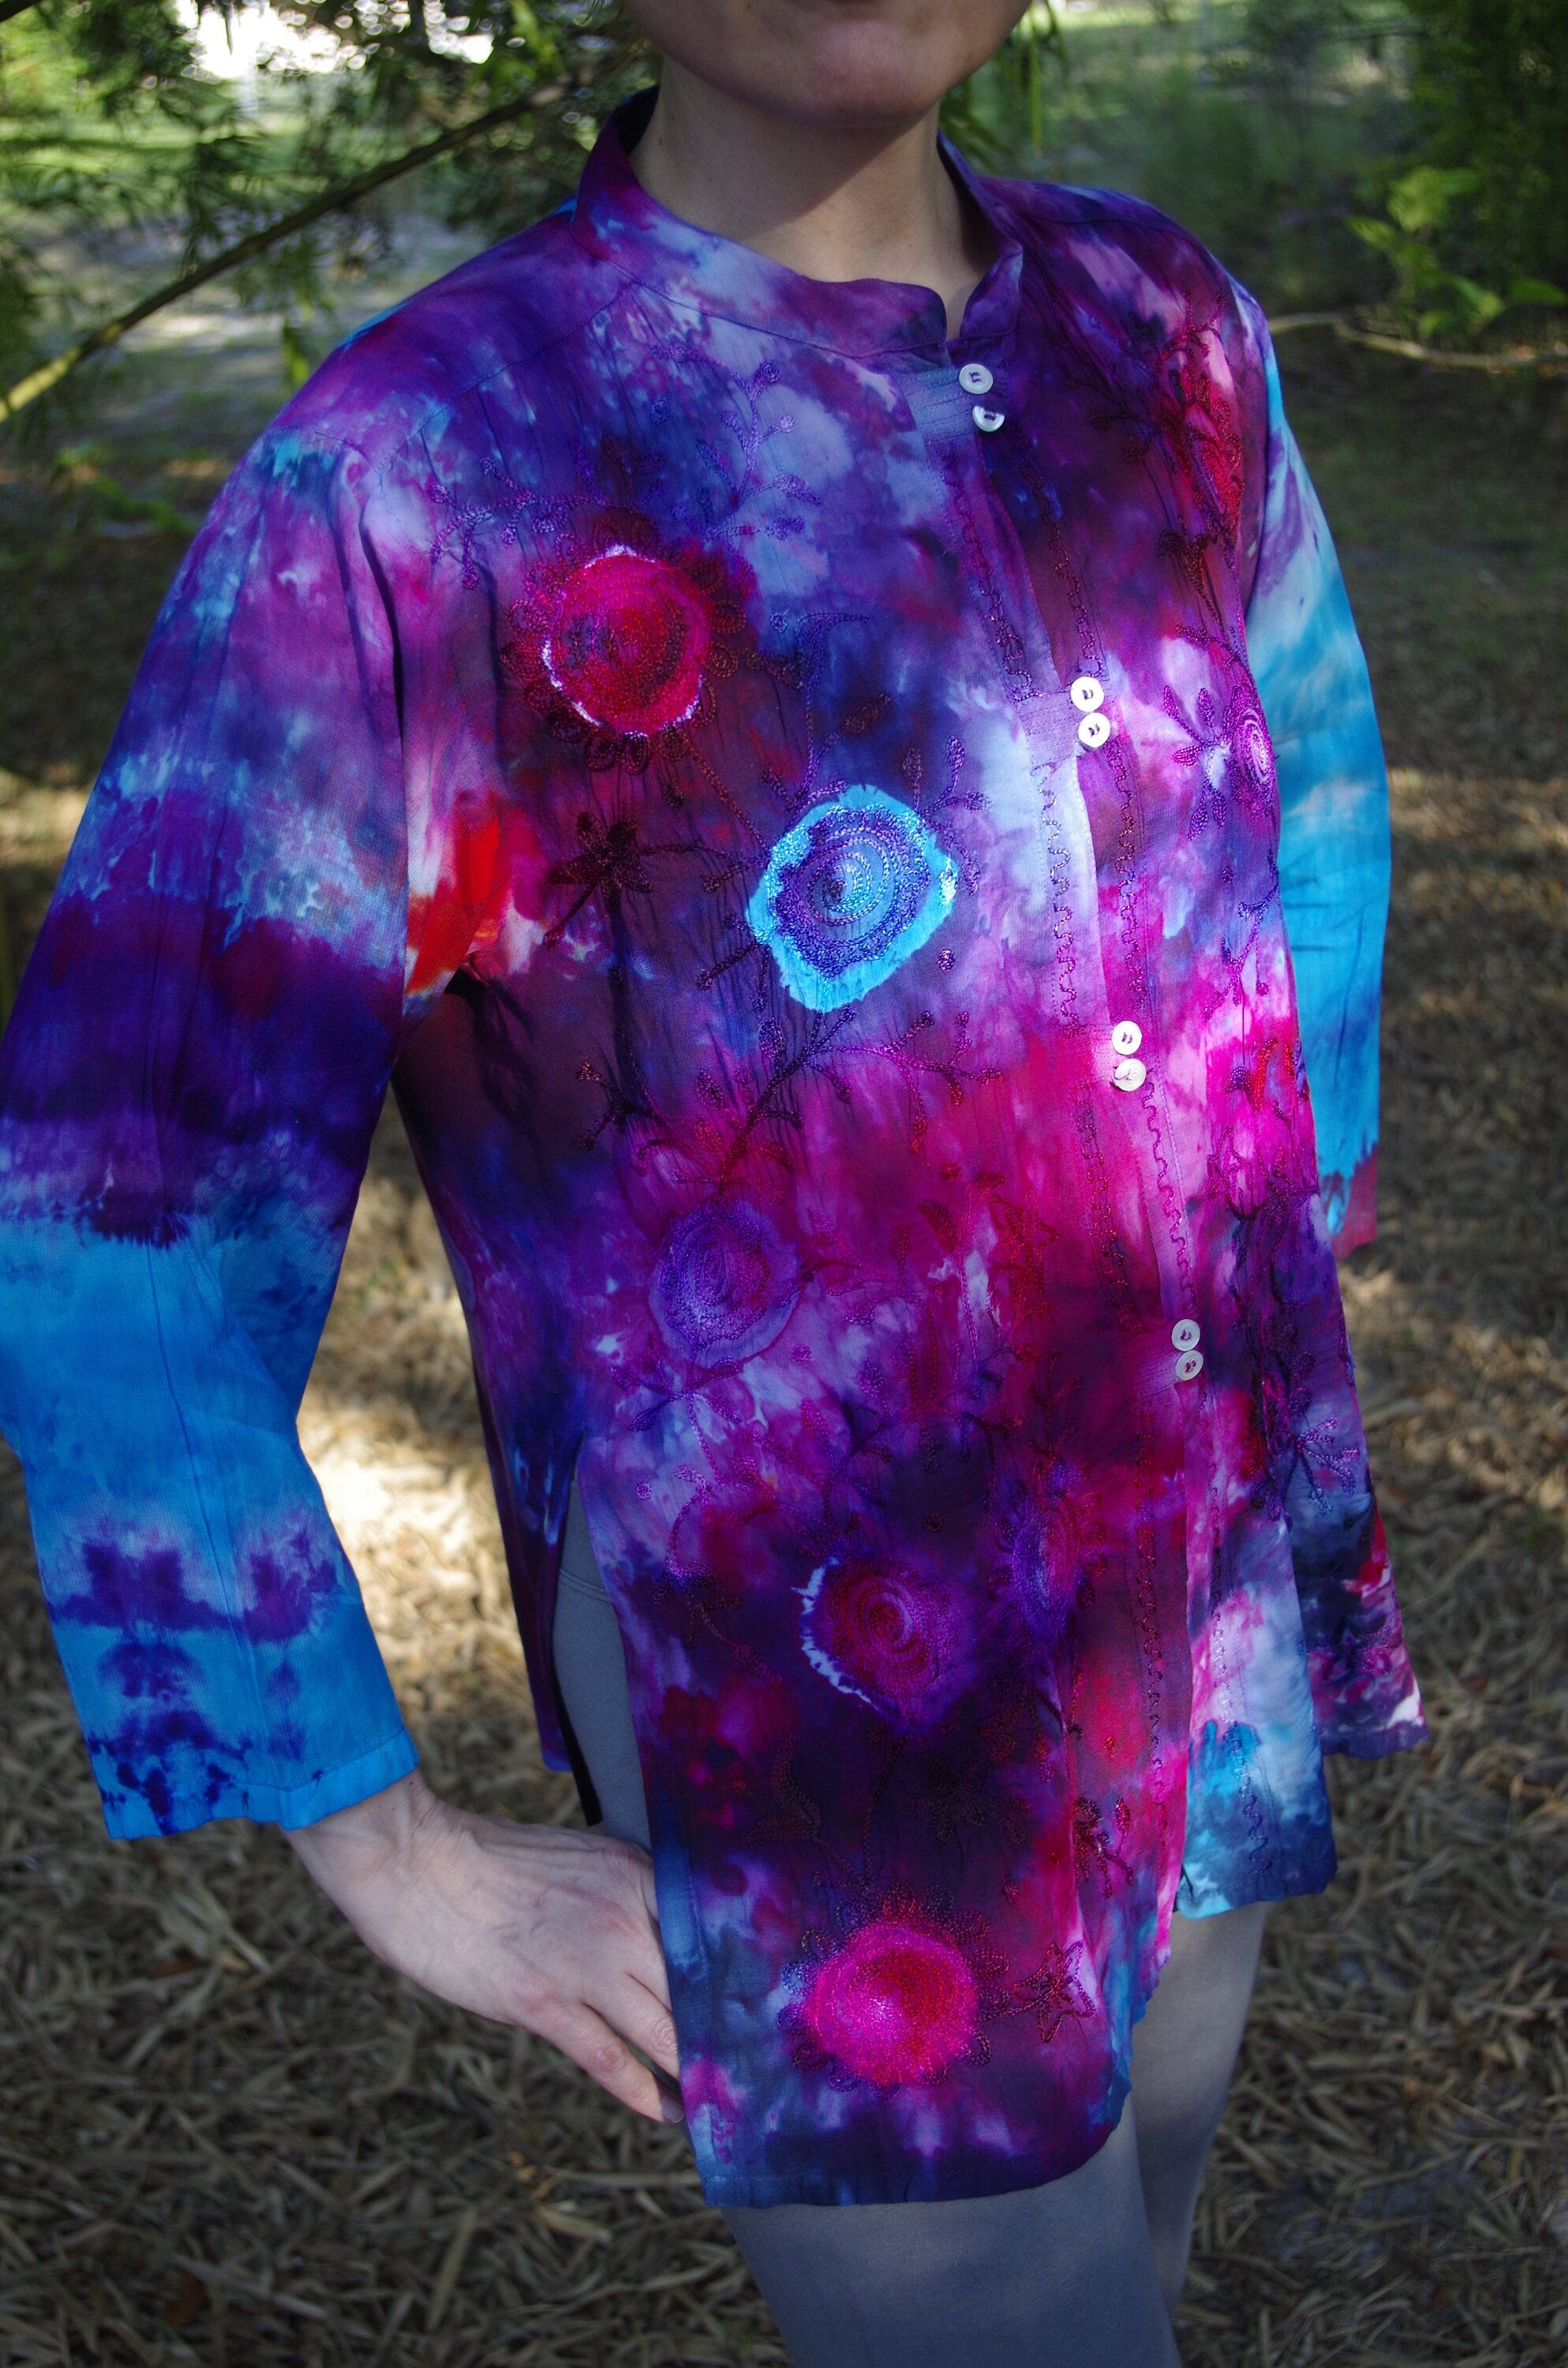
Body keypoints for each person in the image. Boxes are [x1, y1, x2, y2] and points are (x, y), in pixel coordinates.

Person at [0, 4, 1426, 2360]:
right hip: (821, 1697)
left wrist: (1298, 1196)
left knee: (1144, 2246)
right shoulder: (418, 465)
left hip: (1197, 1551)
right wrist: (379, 1835)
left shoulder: (1158, 325)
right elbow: (116, 1194)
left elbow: (1317, 785)